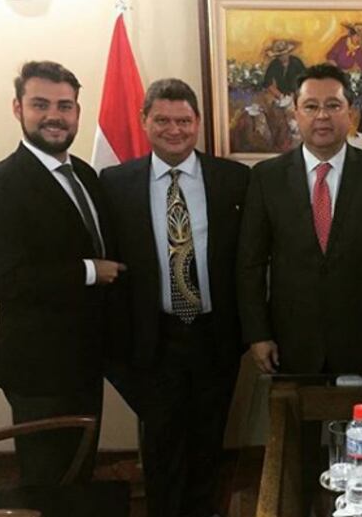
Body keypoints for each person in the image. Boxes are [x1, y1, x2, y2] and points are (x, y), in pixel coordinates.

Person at [0, 61, 124, 485]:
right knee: (48, 482)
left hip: (87, 358)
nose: (54, 115)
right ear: (18, 108)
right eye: (41, 104)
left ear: (77, 112)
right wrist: (90, 271)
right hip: (39, 367)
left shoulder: (86, 176)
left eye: (65, 105)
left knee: (78, 471)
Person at [100, 79, 249, 517]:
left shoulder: (233, 180)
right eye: (162, 119)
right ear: (144, 121)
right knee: (162, 447)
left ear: (198, 123)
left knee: (208, 443)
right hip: (154, 338)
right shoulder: (115, 183)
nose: (174, 129)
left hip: (215, 336)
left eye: (183, 120)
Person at [237, 63, 362, 375]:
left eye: (333, 105)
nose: (322, 116)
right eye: (311, 106)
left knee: (360, 424)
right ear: (295, 112)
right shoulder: (266, 178)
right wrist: (258, 334)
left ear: (351, 112)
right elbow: (250, 264)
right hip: (287, 342)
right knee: (289, 423)